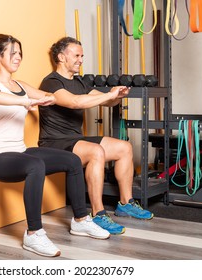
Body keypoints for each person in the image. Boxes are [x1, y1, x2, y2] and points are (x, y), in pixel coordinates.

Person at [0, 34, 110, 258]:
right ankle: (33, 233)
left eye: (19, 53)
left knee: (73, 161)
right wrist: (25, 101)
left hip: (20, 151)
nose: (18, 57)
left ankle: (81, 220)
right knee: (35, 165)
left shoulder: (20, 85)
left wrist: (50, 98)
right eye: (12, 53)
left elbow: (49, 96)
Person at [38, 36, 154, 235]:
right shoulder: (51, 83)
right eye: (76, 55)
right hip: (54, 143)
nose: (81, 59)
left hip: (75, 140)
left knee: (124, 147)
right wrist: (108, 95)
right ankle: (98, 213)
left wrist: (116, 95)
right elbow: (75, 102)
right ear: (61, 57)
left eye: (82, 55)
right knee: (96, 151)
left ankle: (126, 203)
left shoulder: (79, 82)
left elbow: (104, 102)